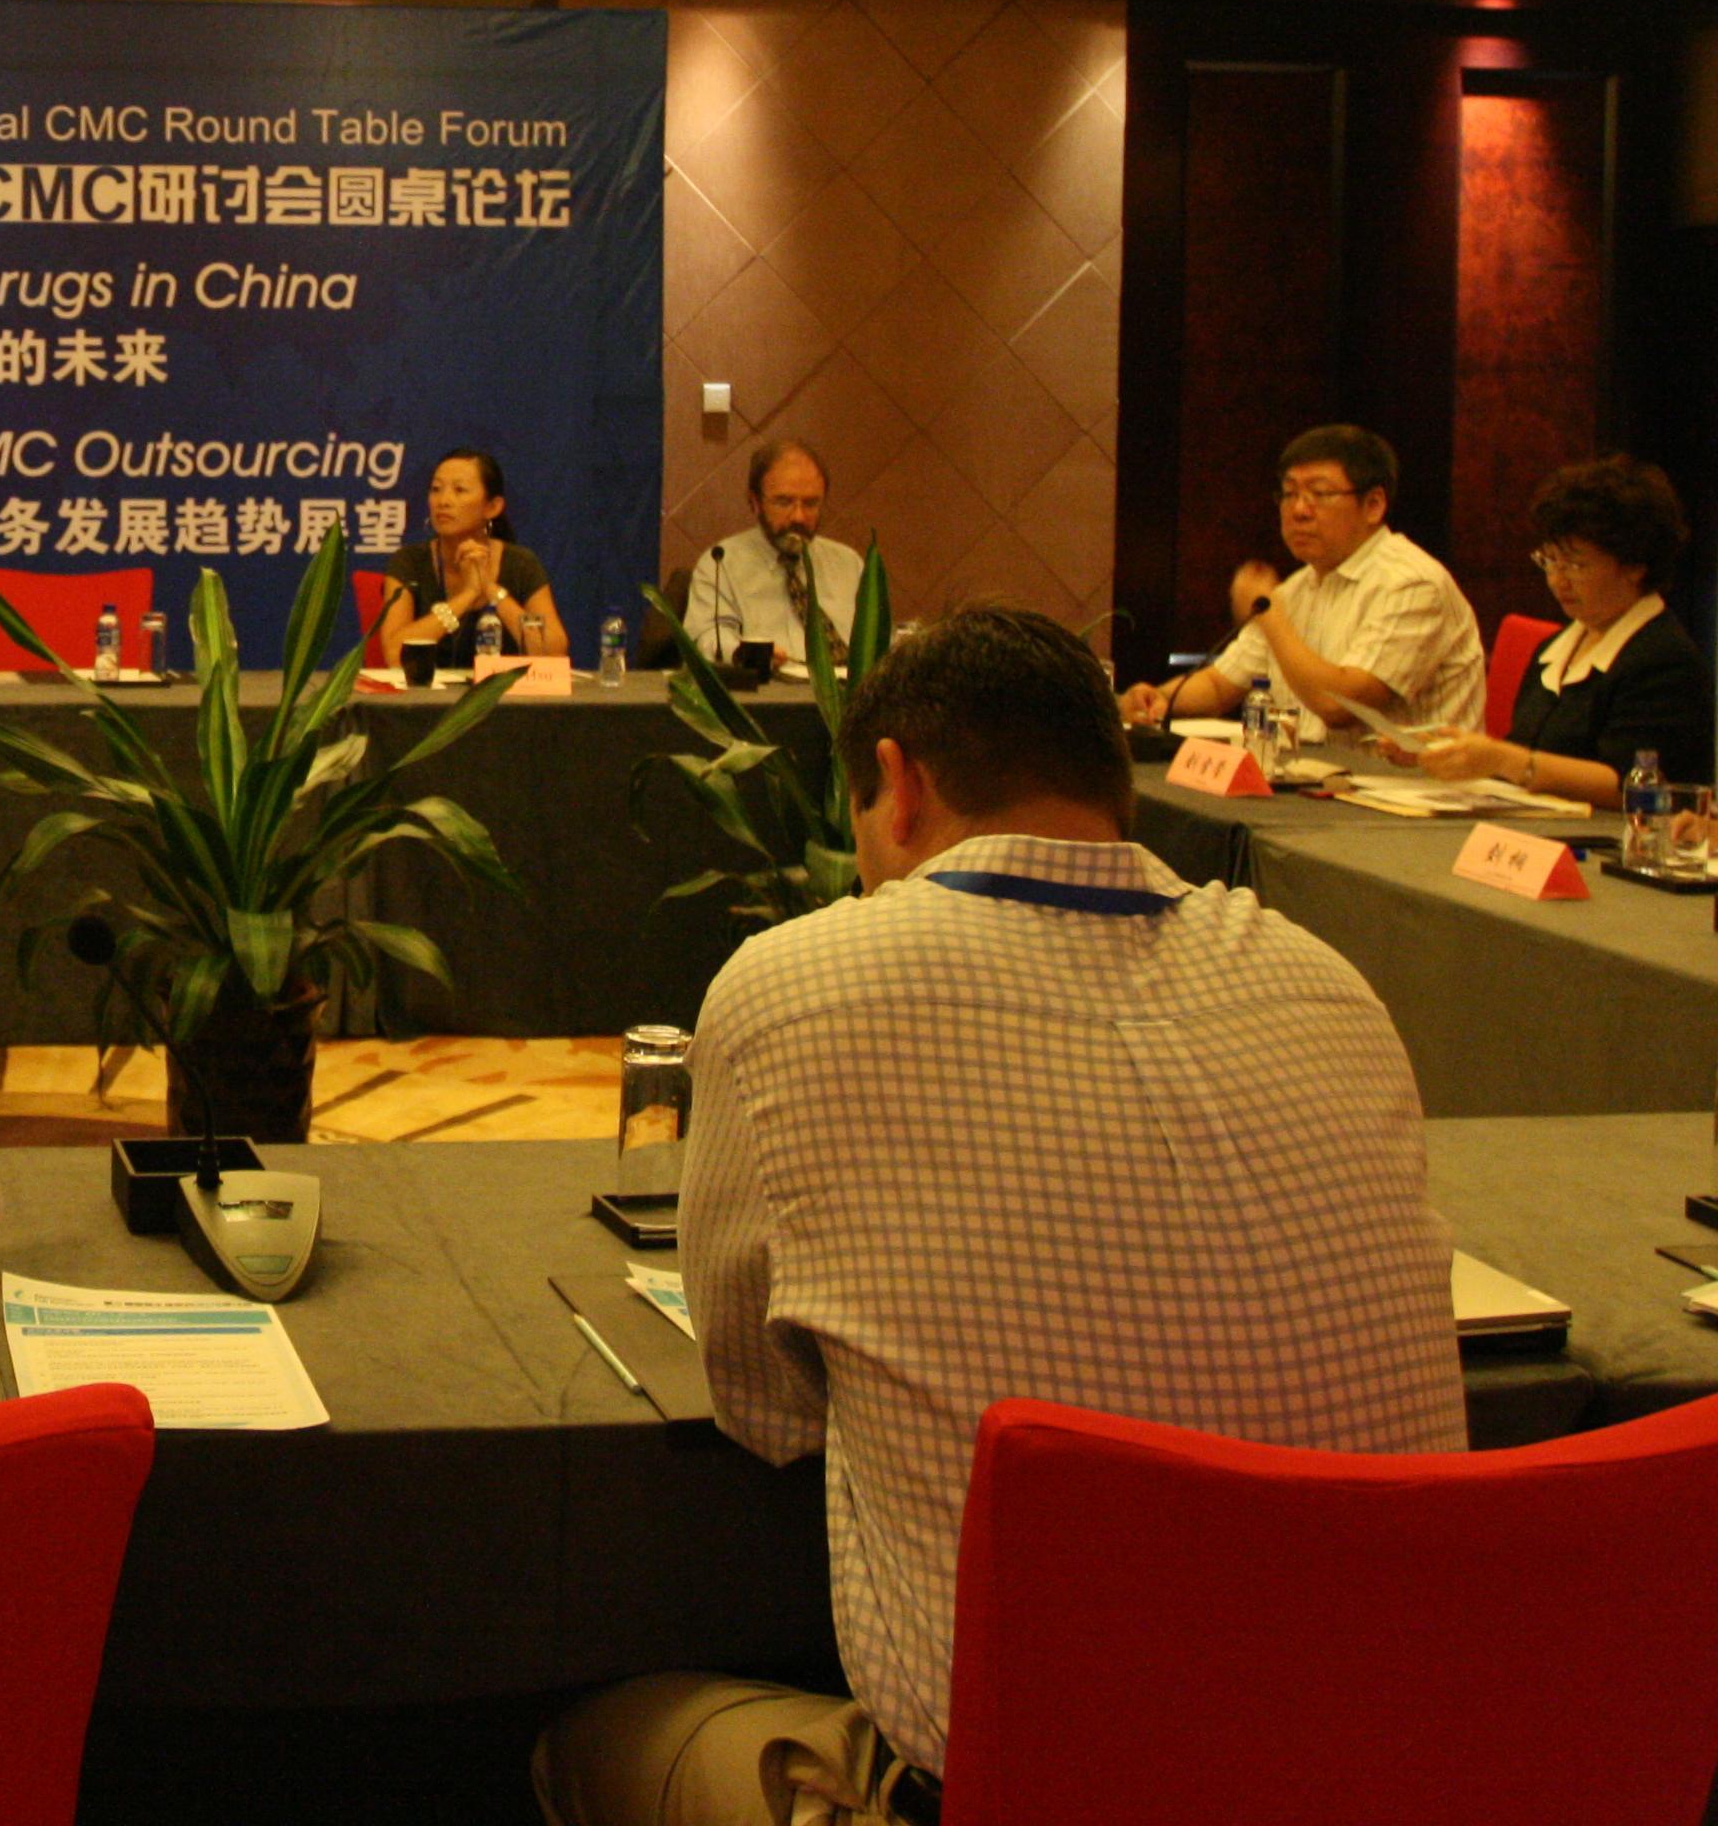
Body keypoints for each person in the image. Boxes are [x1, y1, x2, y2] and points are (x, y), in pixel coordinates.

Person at [539, 606, 1463, 1826]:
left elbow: (765, 1409)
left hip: (1019, 1791)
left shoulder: (795, 985)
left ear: (898, 783)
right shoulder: (1327, 984)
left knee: (593, 1738)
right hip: (1396, 1775)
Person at [1119, 423, 1486, 740]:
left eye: (1320, 494)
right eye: (1290, 493)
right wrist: (1157, 699)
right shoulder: (1298, 587)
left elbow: (1340, 705)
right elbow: (1218, 686)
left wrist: (1270, 614)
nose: (1298, 510)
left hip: (1414, 793)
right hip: (1321, 786)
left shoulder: (1412, 584)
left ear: (1374, 505)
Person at [1394, 456, 1714, 806]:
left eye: (1575, 564)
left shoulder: (1664, 660)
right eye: (1549, 561)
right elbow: (1523, 752)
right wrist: (1452, 753)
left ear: (1635, 565)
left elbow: (1629, 784)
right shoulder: (1555, 648)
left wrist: (1503, 759)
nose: (1558, 580)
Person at [372, 448, 567, 674]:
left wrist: (492, 591)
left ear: (492, 507)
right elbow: (394, 654)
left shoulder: (521, 563)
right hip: (426, 694)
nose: (443, 501)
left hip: (506, 694)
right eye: (436, 489)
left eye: (459, 490)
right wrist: (467, 596)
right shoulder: (409, 562)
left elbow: (554, 653)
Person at [678, 441, 863, 675]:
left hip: (849, 693)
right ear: (755, 503)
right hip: (767, 690)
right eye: (784, 502)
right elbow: (708, 638)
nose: (798, 517)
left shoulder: (848, 564)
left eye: (810, 503)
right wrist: (750, 654)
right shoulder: (721, 563)